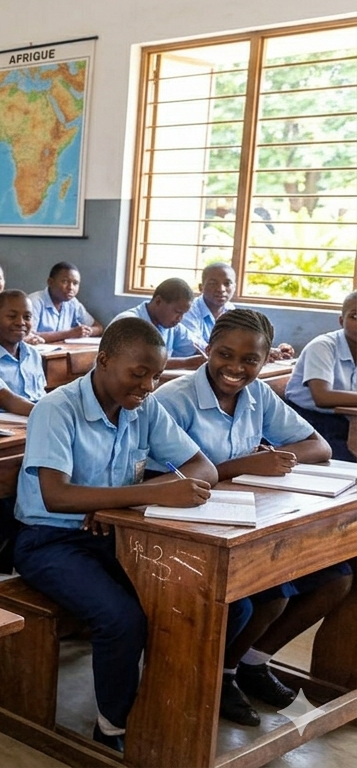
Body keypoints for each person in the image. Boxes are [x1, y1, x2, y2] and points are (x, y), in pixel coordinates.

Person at [12, 316, 218, 752]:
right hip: (49, 541)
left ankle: (174, 705)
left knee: (192, 598)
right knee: (121, 619)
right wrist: (131, 497)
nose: (147, 385)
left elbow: (204, 468)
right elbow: (56, 496)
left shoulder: (143, 407)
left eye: (156, 376)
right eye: (138, 373)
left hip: (117, 533)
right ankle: (110, 729)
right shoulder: (57, 409)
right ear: (103, 361)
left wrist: (118, 503)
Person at [152, 308, 345, 726]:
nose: (236, 368)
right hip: (183, 526)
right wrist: (242, 465)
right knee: (271, 595)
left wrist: (275, 459)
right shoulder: (174, 399)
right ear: (207, 349)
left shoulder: (257, 394)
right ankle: (218, 676)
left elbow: (319, 447)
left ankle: (250, 662)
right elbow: (156, 478)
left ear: (264, 360)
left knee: (337, 577)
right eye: (225, 355)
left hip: (249, 516)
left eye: (250, 360)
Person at [283, 290, 357, 462]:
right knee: (347, 464)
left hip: (346, 420)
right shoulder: (323, 346)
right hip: (309, 422)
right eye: (355, 316)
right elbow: (322, 397)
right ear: (341, 321)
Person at [180, 263, 296, 362]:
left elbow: (243, 341)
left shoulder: (230, 310)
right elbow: (195, 345)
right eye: (213, 283)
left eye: (227, 283)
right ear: (201, 287)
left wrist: (270, 351)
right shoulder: (189, 310)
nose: (221, 289)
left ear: (234, 287)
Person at [110, 278, 205, 369]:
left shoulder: (172, 327)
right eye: (178, 312)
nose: (180, 318)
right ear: (158, 301)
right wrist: (186, 363)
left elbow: (197, 346)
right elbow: (139, 361)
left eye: (183, 314)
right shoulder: (129, 322)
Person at [0, 290, 48, 405]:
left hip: (36, 417)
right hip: (0, 421)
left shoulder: (33, 354)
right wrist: (42, 412)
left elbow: (41, 394)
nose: (20, 322)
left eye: (27, 317)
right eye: (12, 316)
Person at [27, 261, 102, 342]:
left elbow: (98, 328)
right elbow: (28, 336)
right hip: (39, 353)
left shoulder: (73, 303)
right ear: (50, 282)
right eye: (65, 281)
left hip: (63, 352)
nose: (71, 287)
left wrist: (88, 331)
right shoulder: (34, 302)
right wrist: (69, 334)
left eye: (75, 283)